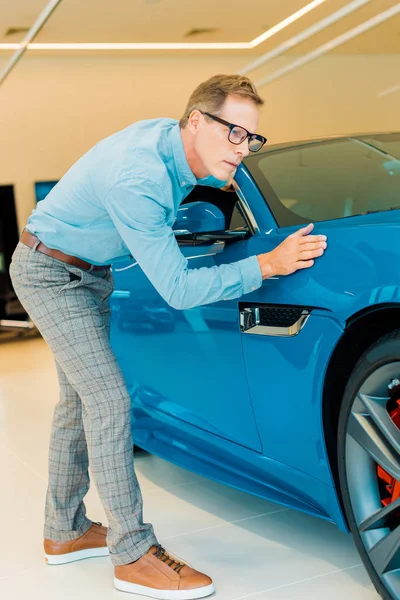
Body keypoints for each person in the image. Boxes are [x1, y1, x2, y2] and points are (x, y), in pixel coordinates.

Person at [9, 74, 327, 599]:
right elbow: (178, 288)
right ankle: (132, 552)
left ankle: (63, 530)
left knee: (77, 403)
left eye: (252, 137)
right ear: (196, 122)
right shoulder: (139, 176)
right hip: (50, 273)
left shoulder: (172, 145)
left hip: (87, 271)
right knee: (109, 401)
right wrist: (265, 265)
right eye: (234, 133)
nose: (243, 148)